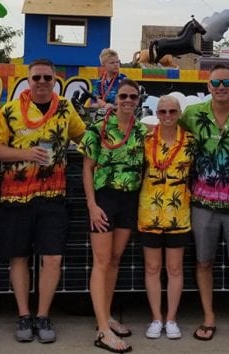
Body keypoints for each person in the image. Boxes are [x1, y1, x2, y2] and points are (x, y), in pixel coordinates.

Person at [0, 58, 87, 344]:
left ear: (55, 80)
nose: (42, 83)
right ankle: (23, 316)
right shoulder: (10, 110)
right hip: (15, 197)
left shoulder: (66, 108)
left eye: (47, 78)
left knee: (52, 258)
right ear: (28, 81)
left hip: (53, 197)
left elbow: (84, 138)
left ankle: (43, 315)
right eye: (36, 78)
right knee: (19, 257)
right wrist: (25, 154)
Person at [178, 64, 229, 344]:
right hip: (202, 204)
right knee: (203, 262)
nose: (221, 87)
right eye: (215, 83)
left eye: (226, 82)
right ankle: (209, 317)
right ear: (208, 87)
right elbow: (167, 133)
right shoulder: (192, 114)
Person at [80, 79, 149, 353]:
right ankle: (103, 330)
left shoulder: (143, 131)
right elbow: (87, 169)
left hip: (129, 199)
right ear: (115, 98)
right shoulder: (97, 129)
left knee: (116, 259)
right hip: (105, 198)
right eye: (123, 96)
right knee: (101, 261)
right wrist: (92, 206)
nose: (128, 100)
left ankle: (106, 315)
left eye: (133, 96)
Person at [139, 95, 196, 342]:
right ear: (157, 113)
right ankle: (156, 318)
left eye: (172, 111)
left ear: (179, 113)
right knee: (152, 267)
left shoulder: (191, 142)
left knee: (174, 268)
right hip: (149, 212)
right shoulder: (145, 139)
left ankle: (171, 318)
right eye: (162, 112)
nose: (167, 116)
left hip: (179, 213)